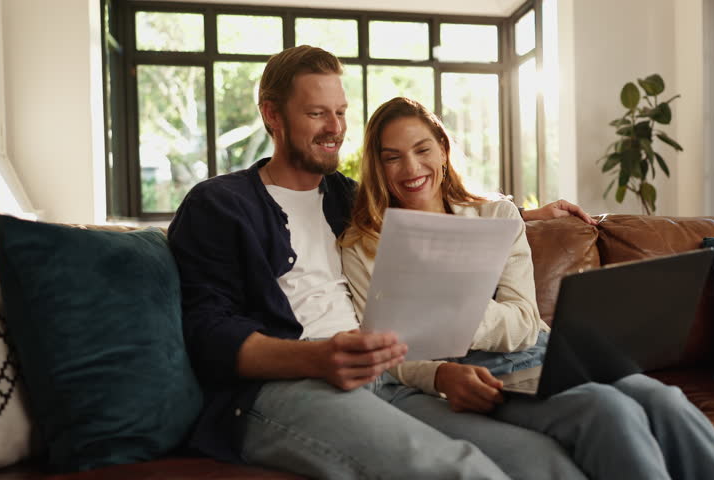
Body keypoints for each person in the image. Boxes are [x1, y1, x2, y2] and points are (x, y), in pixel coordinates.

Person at [167, 45, 596, 480]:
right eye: (317, 113)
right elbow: (206, 333)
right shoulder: (220, 204)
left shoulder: (348, 198)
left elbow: (429, 213)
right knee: (457, 470)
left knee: (542, 462)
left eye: (340, 111)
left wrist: (523, 216)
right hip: (284, 387)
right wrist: (316, 358)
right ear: (272, 115)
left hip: (389, 378)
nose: (335, 128)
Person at [339, 96, 714, 480]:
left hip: (543, 354)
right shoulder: (362, 246)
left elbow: (522, 323)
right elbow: (380, 350)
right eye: (392, 157)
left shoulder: (496, 215)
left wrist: (444, 305)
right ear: (379, 167)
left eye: (422, 149)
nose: (410, 168)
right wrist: (438, 367)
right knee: (607, 411)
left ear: (443, 149)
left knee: (667, 402)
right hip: (481, 375)